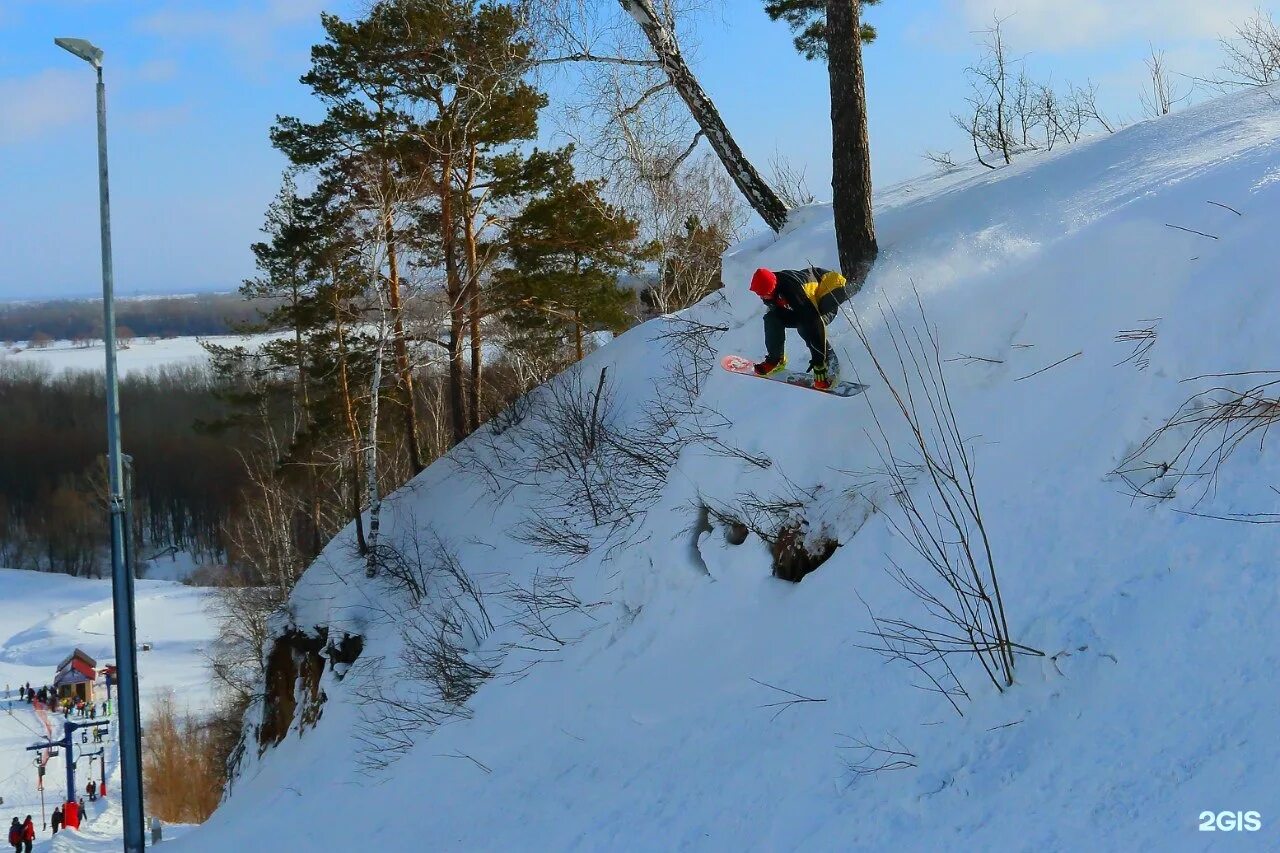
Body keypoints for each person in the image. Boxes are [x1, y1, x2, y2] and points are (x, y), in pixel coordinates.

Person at [748, 266, 850, 391]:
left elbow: (814, 323)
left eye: (763, 294)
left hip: (831, 290)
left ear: (771, 289)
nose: (761, 297)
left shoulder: (793, 291)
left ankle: (829, 366)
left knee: (807, 326)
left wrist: (818, 363)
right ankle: (776, 360)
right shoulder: (773, 287)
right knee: (772, 318)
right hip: (810, 295)